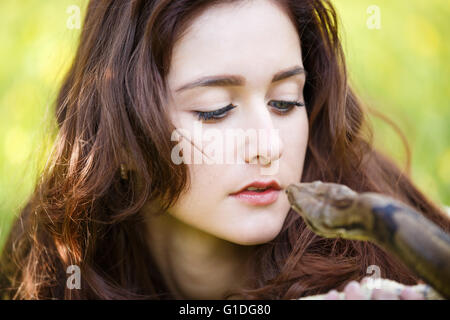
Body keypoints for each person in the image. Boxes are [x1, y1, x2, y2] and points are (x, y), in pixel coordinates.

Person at [1, 0, 449, 300]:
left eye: (285, 101)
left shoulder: (383, 269)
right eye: (216, 111)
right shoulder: (52, 273)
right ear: (117, 131)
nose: (267, 145)